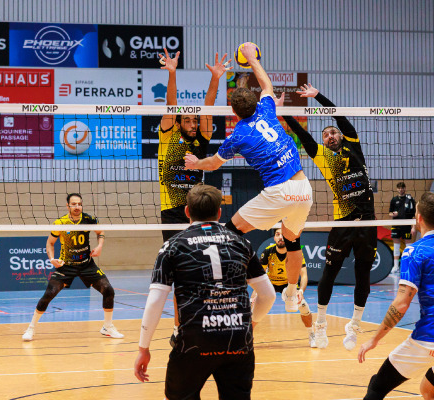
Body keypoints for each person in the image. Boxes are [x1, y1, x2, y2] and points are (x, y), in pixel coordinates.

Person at [184, 42, 313, 313]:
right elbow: (266, 85)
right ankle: (292, 294)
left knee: (230, 232)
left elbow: (214, 164)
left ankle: (244, 285)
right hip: (304, 188)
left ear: (233, 113)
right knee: (293, 242)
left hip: (279, 191)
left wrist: (196, 163)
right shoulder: (267, 109)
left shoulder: (238, 135)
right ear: (257, 103)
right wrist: (253, 59)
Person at [134, 184, 275, 399]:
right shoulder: (242, 243)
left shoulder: (173, 246)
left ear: (187, 211)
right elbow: (268, 296)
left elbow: (155, 302)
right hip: (237, 339)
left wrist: (143, 348)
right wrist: (251, 325)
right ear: (219, 212)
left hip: (194, 341)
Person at [281, 83, 376, 350]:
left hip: (368, 220)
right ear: (323, 141)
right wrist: (283, 112)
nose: (330, 136)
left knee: (363, 275)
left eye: (333, 132)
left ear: (341, 135)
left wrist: (317, 97)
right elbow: (301, 133)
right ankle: (320, 325)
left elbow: (339, 116)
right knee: (329, 274)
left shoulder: (353, 143)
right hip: (343, 221)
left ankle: (354, 326)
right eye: (325, 135)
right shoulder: (321, 155)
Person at [358, 192, 434, 400]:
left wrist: (374, 340)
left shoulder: (415, 251)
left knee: (377, 387)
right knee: (430, 391)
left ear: (419, 217)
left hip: (430, 339)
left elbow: (401, 304)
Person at [158, 49, 231, 345]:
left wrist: (216, 79)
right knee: (177, 275)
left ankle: (204, 321)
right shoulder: (168, 134)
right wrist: (172, 73)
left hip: (198, 213)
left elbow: (208, 105)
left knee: (203, 272)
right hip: (172, 212)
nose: (191, 123)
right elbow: (170, 104)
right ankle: (179, 327)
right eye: (186, 120)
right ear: (178, 122)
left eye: (193, 120)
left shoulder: (202, 140)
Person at [22, 193, 123, 341]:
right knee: (49, 293)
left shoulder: (89, 219)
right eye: (74, 204)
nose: (77, 207)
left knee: (108, 290)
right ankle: (31, 328)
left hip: (86, 264)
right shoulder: (60, 223)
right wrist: (52, 259)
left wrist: (100, 246)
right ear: (67, 206)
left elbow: (100, 232)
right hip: (66, 266)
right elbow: (50, 243)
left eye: (79, 204)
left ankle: (107, 327)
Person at [257, 228, 315, 347]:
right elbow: (259, 276)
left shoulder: (295, 252)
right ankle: (246, 337)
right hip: (270, 283)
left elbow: (304, 275)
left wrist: (301, 291)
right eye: (277, 234)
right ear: (274, 238)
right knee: (253, 306)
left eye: (283, 235)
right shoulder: (268, 251)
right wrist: (254, 295)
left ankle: (312, 334)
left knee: (303, 305)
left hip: (289, 284)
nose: (280, 237)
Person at [389, 182, 416, 274]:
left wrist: (413, 227)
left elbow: (414, 215)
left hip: (407, 225)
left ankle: (409, 266)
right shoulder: (394, 199)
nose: (401, 189)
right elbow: (390, 213)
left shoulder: (410, 199)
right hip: (396, 225)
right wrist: (393, 214)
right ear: (397, 189)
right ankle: (396, 266)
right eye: (399, 188)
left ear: (405, 188)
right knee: (396, 246)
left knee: (408, 246)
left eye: (402, 188)